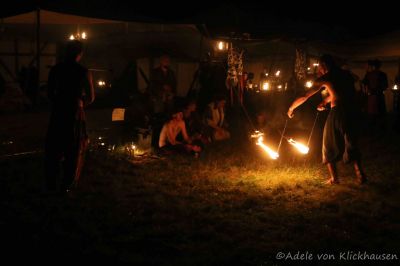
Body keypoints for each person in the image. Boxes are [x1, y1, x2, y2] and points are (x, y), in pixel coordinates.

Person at [287, 54, 367, 185]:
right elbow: (342, 92)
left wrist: (291, 108)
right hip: (352, 110)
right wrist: (325, 101)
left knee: (328, 143)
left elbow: (305, 95)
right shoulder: (346, 74)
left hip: (339, 112)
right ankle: (360, 175)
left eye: (319, 67)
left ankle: (334, 179)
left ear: (324, 65)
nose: (319, 70)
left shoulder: (326, 77)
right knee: (351, 141)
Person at [44, 40, 95, 194]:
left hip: (59, 112)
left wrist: (59, 102)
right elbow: (91, 97)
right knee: (73, 147)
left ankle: (51, 182)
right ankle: (67, 183)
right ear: (80, 54)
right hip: (74, 113)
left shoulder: (56, 70)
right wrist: (79, 104)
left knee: (55, 146)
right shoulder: (83, 71)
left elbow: (49, 93)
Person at [361, 59, 388, 137]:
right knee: (377, 115)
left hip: (374, 98)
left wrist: (369, 91)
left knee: (374, 115)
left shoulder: (371, 74)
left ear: (372, 66)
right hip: (375, 98)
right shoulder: (378, 74)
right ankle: (379, 133)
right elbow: (385, 86)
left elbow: (384, 86)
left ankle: (375, 133)